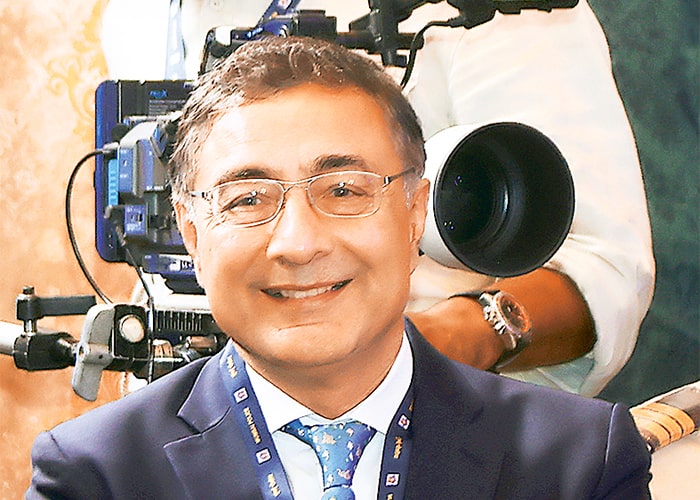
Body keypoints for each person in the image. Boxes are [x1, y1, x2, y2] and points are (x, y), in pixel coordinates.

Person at [28, 36, 651, 499]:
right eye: (247, 199)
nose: (298, 243)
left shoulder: (578, 464)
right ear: (191, 234)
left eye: (345, 190)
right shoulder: (95, 475)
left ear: (416, 215)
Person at [100, 0, 655, 397]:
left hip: (435, 430)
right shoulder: (134, 19)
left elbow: (602, 270)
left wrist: (442, 344)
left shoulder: (483, 15)